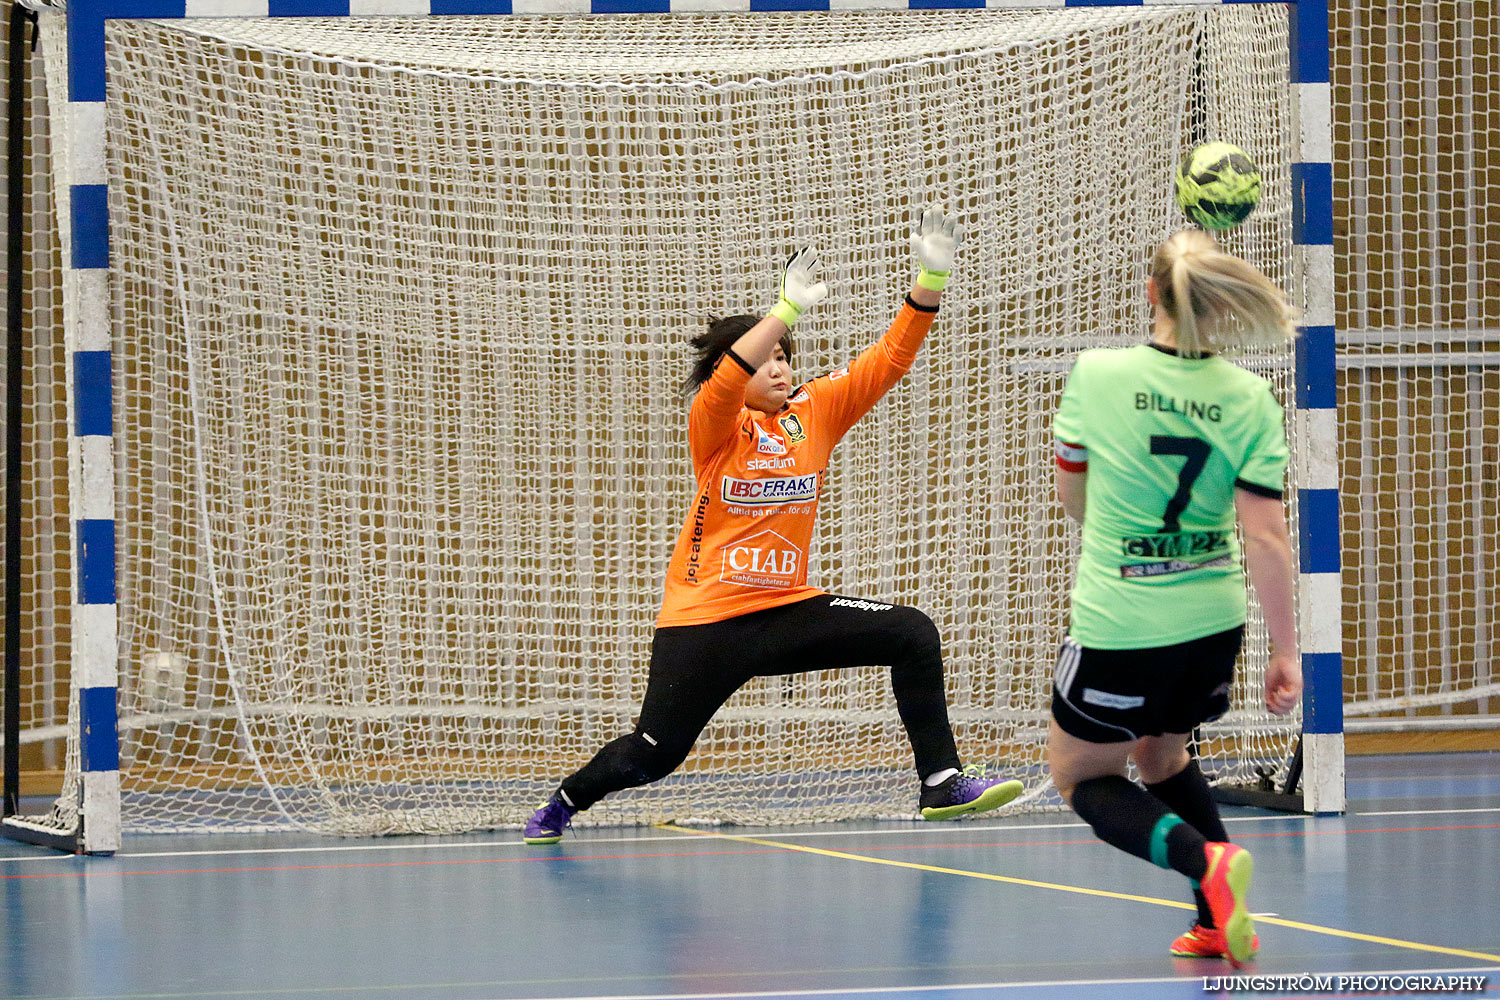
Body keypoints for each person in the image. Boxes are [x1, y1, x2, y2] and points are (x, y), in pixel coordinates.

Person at [524, 205, 1023, 844]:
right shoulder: (716, 423)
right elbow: (729, 375)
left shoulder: (813, 411)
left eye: (786, 356)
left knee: (912, 634)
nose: (781, 367)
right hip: (705, 623)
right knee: (654, 754)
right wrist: (782, 311)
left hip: (786, 610)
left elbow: (888, 359)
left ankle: (940, 782)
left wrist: (930, 281)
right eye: (768, 360)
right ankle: (566, 800)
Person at [1046, 228, 1302, 968]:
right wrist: (1286, 651)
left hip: (1122, 624)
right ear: (1219, 304)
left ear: (1153, 293)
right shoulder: (1250, 397)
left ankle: (1206, 862)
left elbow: (1074, 496)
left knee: (1082, 776)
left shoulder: (1097, 375)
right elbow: (1267, 538)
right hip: (1211, 626)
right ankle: (1216, 922)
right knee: (1161, 753)